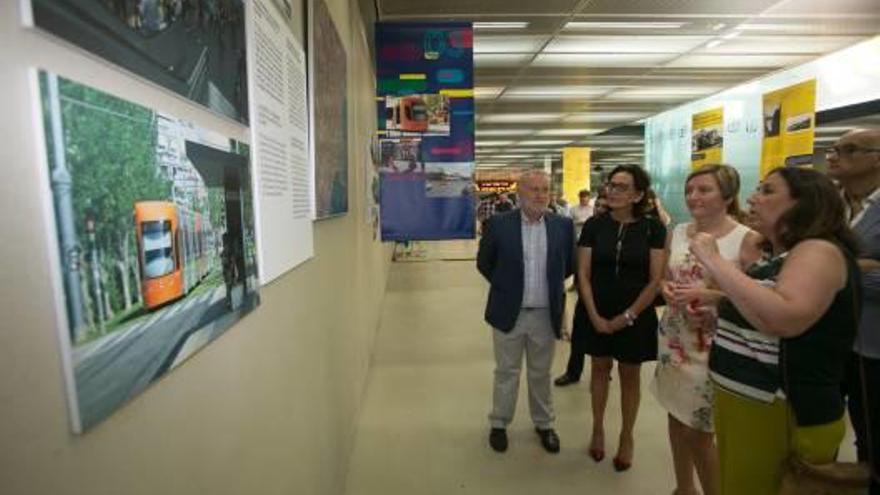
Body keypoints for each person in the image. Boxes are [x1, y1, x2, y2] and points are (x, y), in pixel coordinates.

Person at [690, 167, 861, 494]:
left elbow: (784, 317)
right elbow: (761, 311)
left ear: (804, 204)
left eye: (768, 191)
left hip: (779, 409)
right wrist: (723, 317)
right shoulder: (784, 255)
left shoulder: (818, 251)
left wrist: (715, 260)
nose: (754, 198)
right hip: (752, 405)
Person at [651, 165, 762, 495]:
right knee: (675, 414)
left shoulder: (746, 239)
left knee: (700, 432)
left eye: (704, 190)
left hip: (717, 344)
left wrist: (713, 298)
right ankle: (683, 487)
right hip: (675, 337)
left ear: (727, 196)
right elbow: (665, 277)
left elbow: (762, 297)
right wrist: (666, 289)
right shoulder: (679, 231)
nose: (693, 197)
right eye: (690, 190)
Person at [572, 164, 666, 471]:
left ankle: (627, 435)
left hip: (636, 313)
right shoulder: (594, 226)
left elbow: (655, 280)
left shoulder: (653, 228)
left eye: (621, 187)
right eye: (611, 185)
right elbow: (583, 274)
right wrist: (595, 315)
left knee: (629, 374)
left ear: (638, 194)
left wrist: (627, 316)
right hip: (595, 309)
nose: (612, 191)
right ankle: (598, 428)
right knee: (599, 369)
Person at [477, 170, 575, 454]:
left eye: (545, 189)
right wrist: (506, 287)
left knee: (541, 373)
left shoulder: (563, 226)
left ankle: (544, 424)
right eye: (533, 189)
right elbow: (485, 262)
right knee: (506, 371)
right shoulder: (498, 224)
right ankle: (499, 423)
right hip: (509, 312)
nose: (540, 195)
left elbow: (567, 265)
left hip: (545, 314)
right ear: (519, 193)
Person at [826, 128, 880, 494]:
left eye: (847, 149)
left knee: (872, 438)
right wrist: (862, 265)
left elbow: (821, 268)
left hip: (873, 348)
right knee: (821, 430)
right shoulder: (832, 206)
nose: (834, 155)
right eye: (834, 148)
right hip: (827, 340)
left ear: (876, 158)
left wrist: (839, 271)